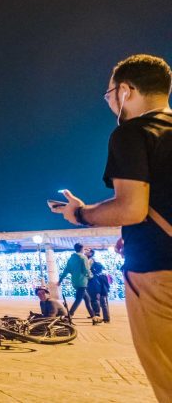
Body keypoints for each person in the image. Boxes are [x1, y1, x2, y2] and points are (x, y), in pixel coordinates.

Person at [51, 54, 172, 401]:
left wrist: (81, 214)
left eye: (109, 96)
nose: (110, 104)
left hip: (158, 274)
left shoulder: (132, 133)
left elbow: (130, 207)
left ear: (125, 91)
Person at [58, 243, 95, 320]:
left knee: (87, 299)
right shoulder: (83, 258)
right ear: (82, 248)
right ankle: (70, 314)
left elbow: (66, 270)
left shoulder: (71, 258)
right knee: (78, 299)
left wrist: (60, 280)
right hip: (82, 281)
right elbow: (86, 270)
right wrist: (91, 276)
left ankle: (93, 315)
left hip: (75, 282)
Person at [88, 257, 111, 323]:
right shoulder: (104, 275)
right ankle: (107, 318)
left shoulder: (96, 276)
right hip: (104, 291)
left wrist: (98, 292)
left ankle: (100, 317)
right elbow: (107, 284)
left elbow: (97, 285)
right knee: (104, 305)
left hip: (100, 292)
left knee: (101, 304)